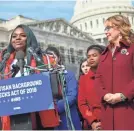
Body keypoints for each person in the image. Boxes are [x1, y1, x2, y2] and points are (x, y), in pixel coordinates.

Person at [0, 24, 60, 130]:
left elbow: (55, 87)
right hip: (12, 115)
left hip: (39, 114)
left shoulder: (43, 59)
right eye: (14, 36)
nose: (17, 38)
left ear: (29, 37)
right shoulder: (4, 60)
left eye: (23, 35)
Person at [94, 14, 134, 130]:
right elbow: (98, 79)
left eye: (108, 28)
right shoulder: (104, 54)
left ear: (119, 27)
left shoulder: (132, 49)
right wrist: (105, 95)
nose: (106, 32)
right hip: (107, 113)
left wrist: (123, 95)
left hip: (128, 109)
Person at [45, 46, 81, 130]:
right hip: (48, 117)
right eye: (47, 57)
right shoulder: (42, 76)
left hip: (68, 115)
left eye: (53, 57)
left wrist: (55, 108)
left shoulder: (68, 74)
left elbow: (72, 95)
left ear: (59, 58)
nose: (50, 60)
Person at [78, 45, 105, 130]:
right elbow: (82, 104)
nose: (91, 58)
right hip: (94, 124)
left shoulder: (111, 75)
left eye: (94, 55)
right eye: (88, 56)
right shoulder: (83, 79)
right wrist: (93, 121)